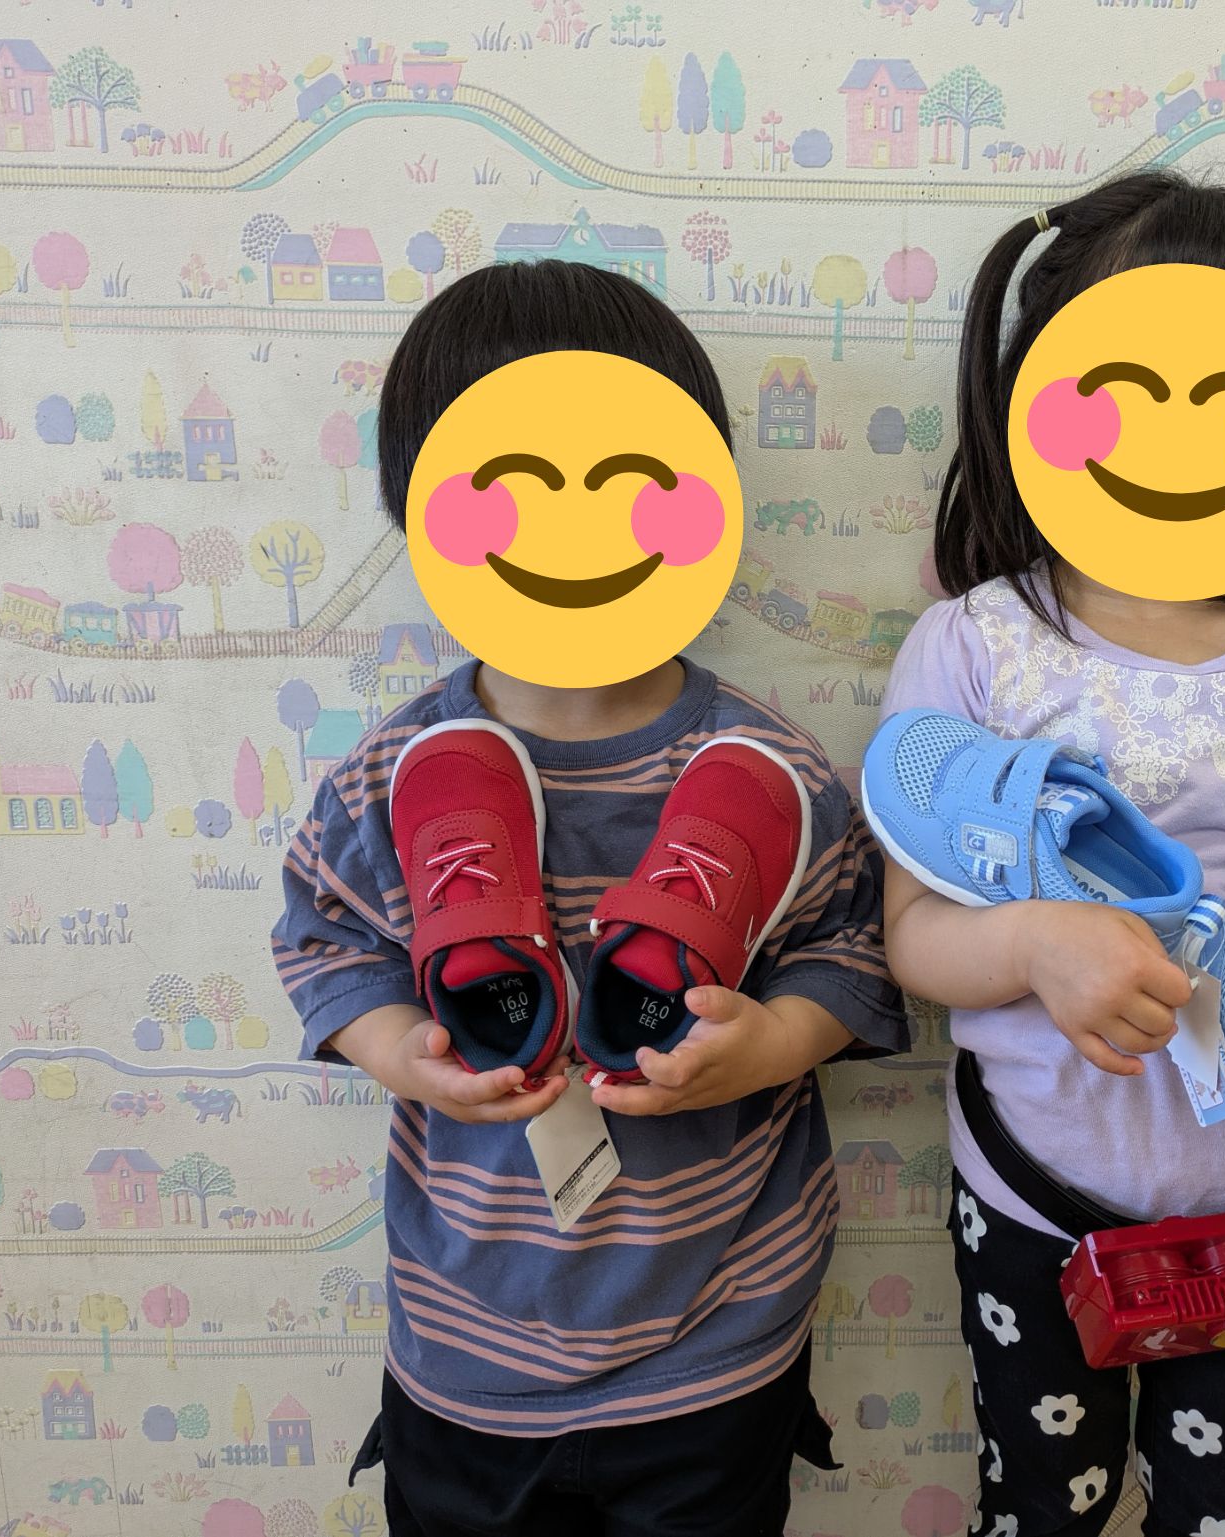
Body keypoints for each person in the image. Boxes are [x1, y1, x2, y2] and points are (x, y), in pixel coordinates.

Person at [272, 259, 906, 1536]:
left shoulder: (767, 769)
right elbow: (322, 941)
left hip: (716, 1338)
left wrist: (766, 1045)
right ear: (424, 509)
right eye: (516, 485)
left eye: (622, 483)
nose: (571, 527)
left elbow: (853, 949)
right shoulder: (390, 773)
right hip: (466, 1341)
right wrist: (404, 1052)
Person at [878, 173, 1225, 1537]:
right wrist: (1031, 941)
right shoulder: (975, 649)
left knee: (1223, 1509)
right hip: (1037, 1189)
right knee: (1040, 1506)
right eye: (1132, 390)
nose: (1181, 438)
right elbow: (908, 936)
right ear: (1037, 396)